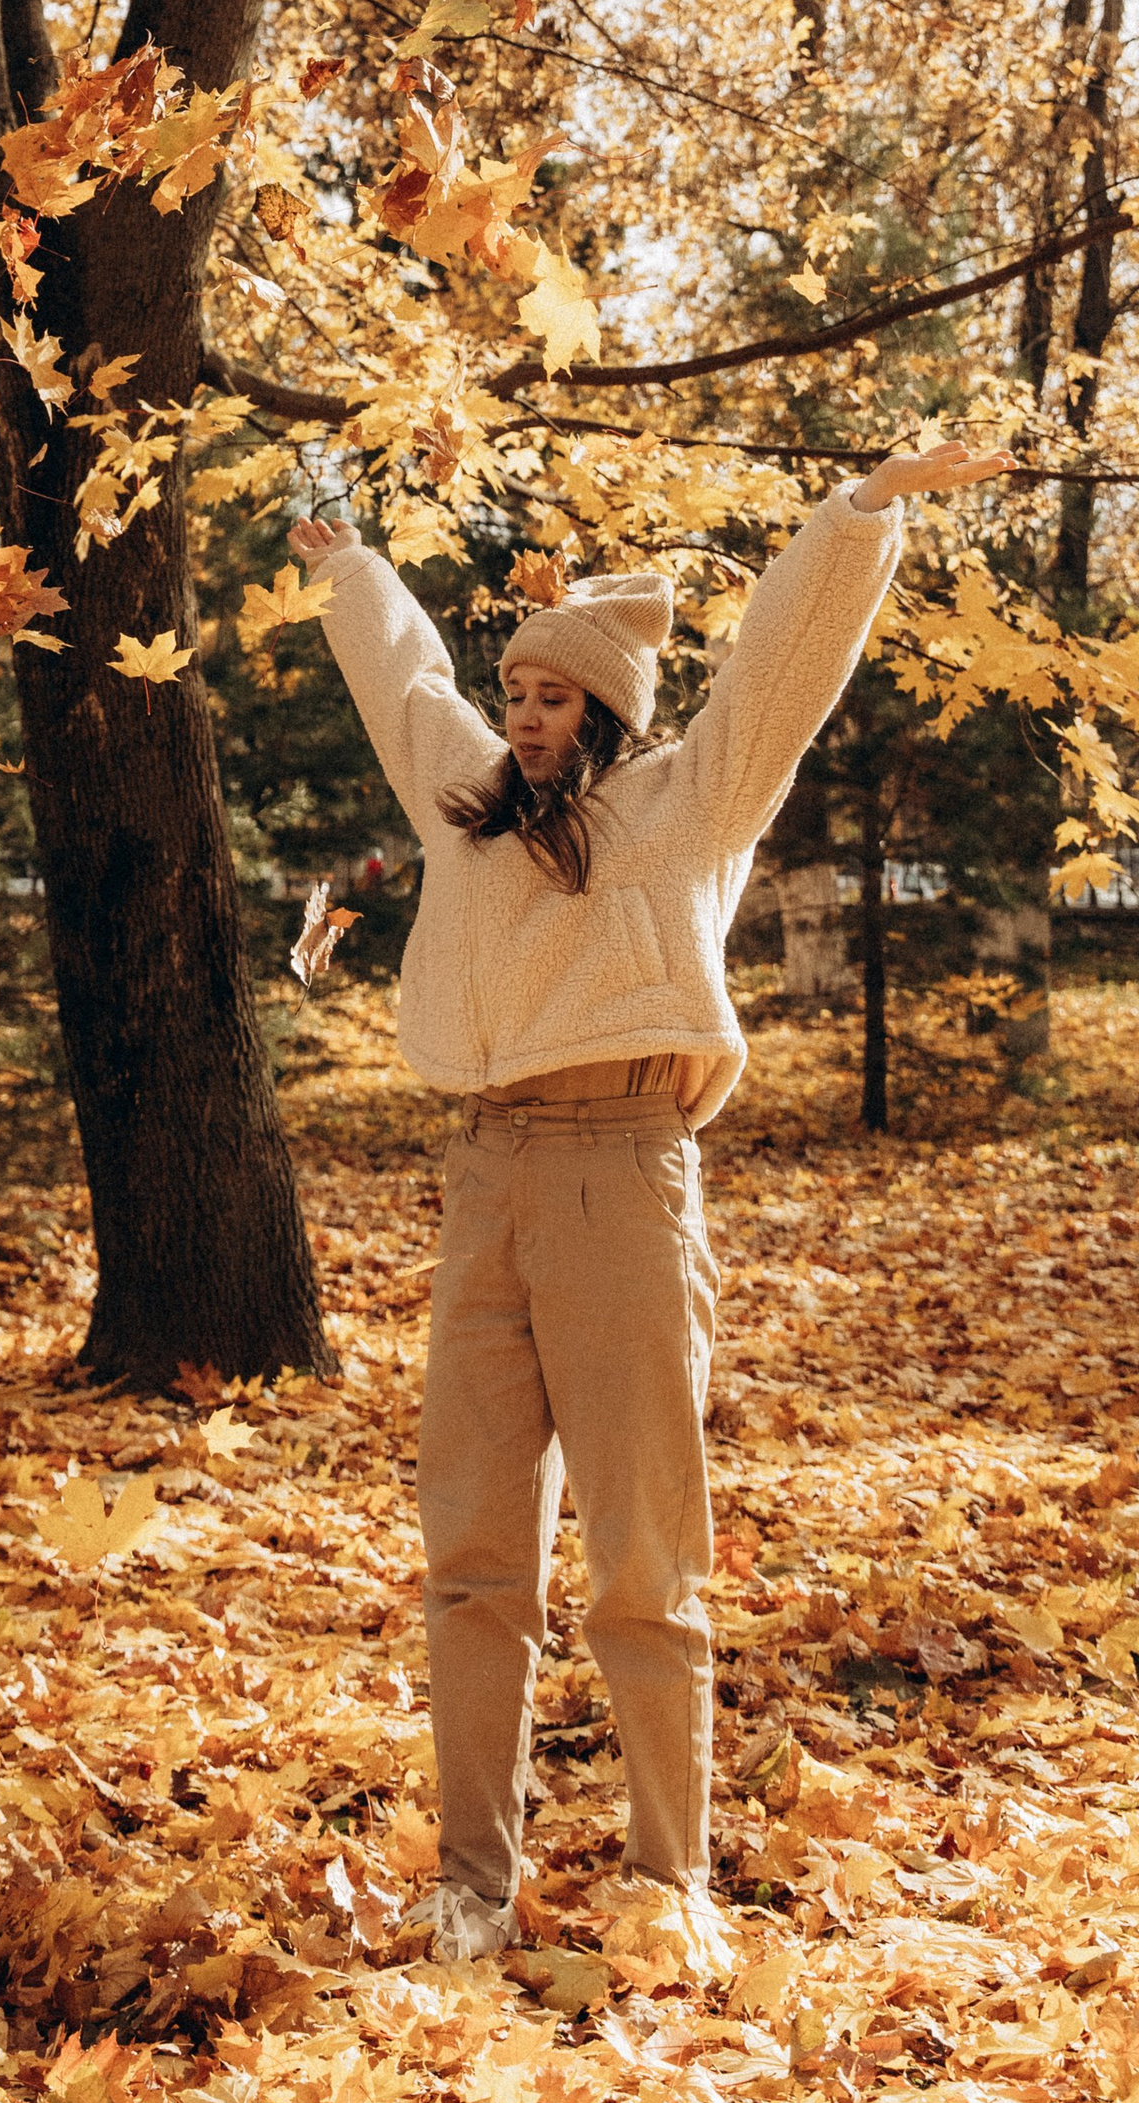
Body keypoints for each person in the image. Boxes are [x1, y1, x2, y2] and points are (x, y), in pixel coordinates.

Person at [292, 440, 1008, 1963]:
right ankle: (470, 1889)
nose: (524, 711)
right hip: (483, 1181)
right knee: (474, 1556)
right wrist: (344, 558)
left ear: (606, 710)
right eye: (519, 691)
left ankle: (668, 1882)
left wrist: (861, 510)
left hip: (624, 1176)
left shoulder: (691, 805)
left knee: (640, 1556)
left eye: (553, 695)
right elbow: (401, 675)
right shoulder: (468, 803)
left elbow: (778, 672)